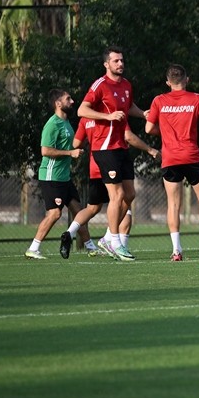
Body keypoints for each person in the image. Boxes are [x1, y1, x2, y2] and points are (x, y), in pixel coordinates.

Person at [76, 46, 153, 260]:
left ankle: (108, 237)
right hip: (104, 147)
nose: (120, 64)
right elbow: (81, 110)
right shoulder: (100, 85)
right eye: (116, 61)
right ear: (106, 64)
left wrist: (143, 114)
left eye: (121, 60)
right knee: (117, 195)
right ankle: (115, 242)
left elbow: (127, 107)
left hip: (121, 147)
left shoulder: (126, 85)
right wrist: (107, 117)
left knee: (129, 195)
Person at [145, 64, 199, 261]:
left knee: (173, 204)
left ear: (168, 82)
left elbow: (148, 128)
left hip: (170, 158)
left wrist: (165, 132)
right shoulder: (197, 99)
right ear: (187, 80)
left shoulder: (159, 101)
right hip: (192, 156)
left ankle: (177, 250)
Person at [59, 119, 141, 259]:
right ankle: (114, 243)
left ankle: (70, 232)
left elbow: (76, 143)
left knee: (92, 208)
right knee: (124, 202)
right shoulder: (111, 115)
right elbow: (128, 136)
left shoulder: (85, 119)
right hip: (111, 165)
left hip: (95, 168)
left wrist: (89, 140)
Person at [25, 89, 85, 259]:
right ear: (58, 104)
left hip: (64, 177)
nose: (72, 101)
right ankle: (33, 248)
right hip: (51, 176)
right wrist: (70, 153)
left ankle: (91, 248)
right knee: (55, 214)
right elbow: (45, 151)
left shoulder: (66, 123)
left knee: (79, 211)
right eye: (68, 99)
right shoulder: (52, 124)